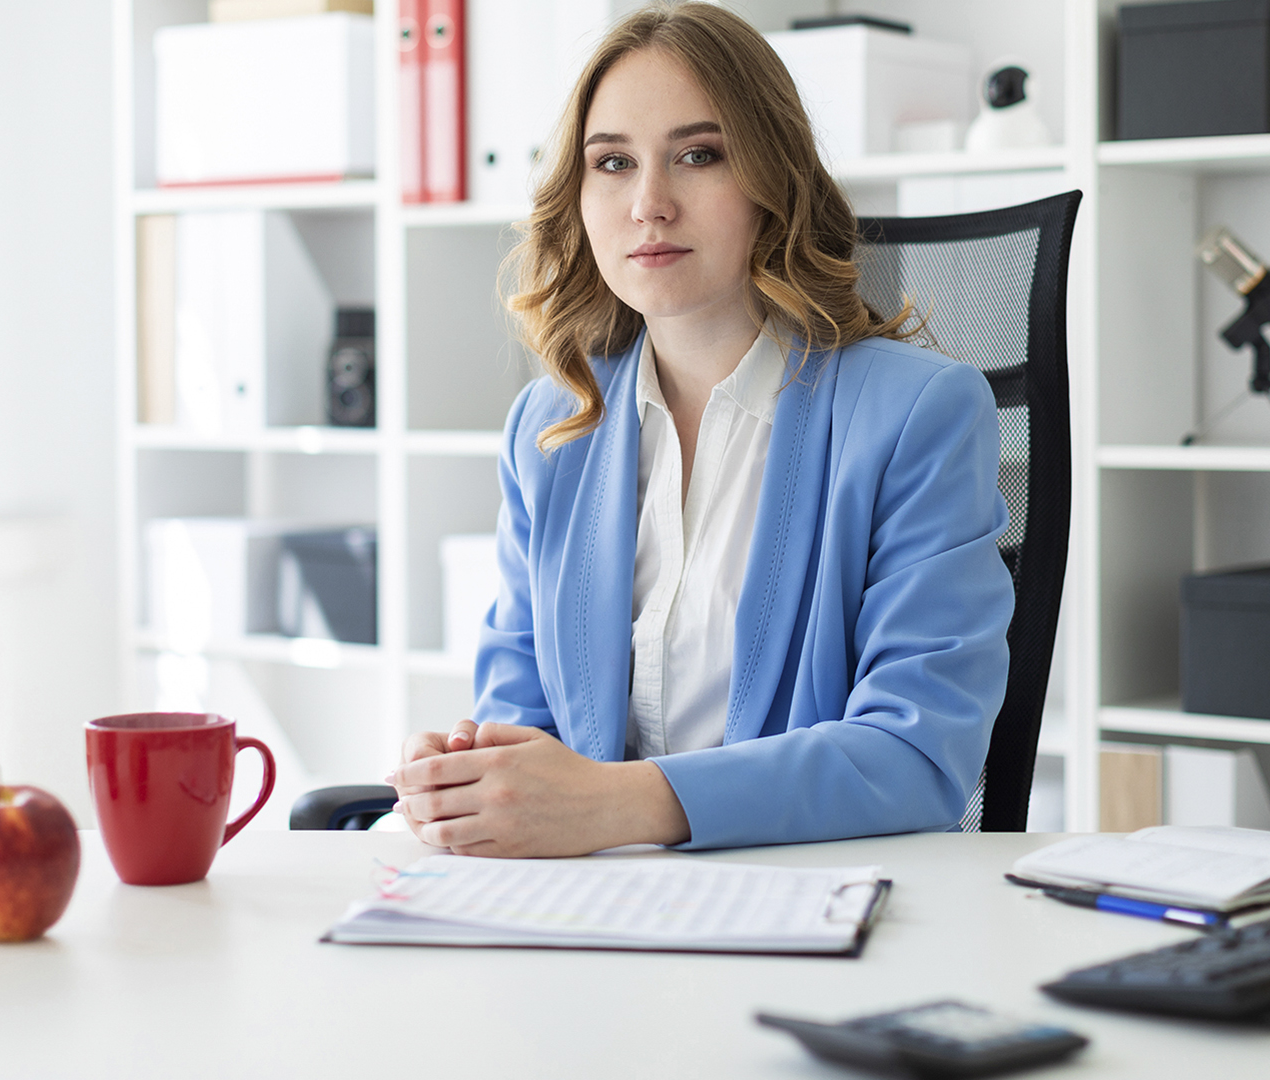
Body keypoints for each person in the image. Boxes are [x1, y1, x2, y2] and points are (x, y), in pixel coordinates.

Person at [389, 2, 1014, 856]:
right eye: (612, 162)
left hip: (809, 906)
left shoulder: (917, 413)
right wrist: (473, 777)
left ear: (771, 181)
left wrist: (618, 804)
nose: (649, 203)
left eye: (698, 155)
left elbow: (917, 755)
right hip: (592, 913)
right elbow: (523, 721)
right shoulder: (551, 427)